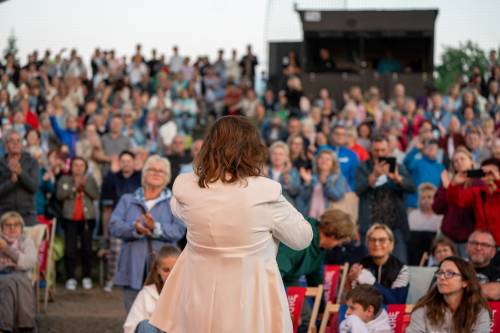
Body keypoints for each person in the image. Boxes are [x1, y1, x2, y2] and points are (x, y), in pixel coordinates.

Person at [150, 116, 313, 333]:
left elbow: (178, 210)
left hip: (198, 299)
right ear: (251, 150)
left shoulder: (186, 187)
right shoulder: (264, 192)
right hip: (250, 303)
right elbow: (302, 237)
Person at [109, 155, 186, 312]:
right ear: (144, 173)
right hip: (132, 265)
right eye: (152, 169)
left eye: (161, 171)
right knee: (133, 314)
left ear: (167, 177)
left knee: (163, 316)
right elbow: (114, 226)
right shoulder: (127, 200)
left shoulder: (174, 202)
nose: (156, 173)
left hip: (164, 268)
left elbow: (179, 230)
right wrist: (135, 229)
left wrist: (155, 228)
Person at [355, 135, 415, 263]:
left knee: (399, 266)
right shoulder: (363, 167)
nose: (379, 153)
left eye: (383, 150)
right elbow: (358, 190)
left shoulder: (397, 166)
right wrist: (373, 176)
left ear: (388, 150)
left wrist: (397, 178)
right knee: (369, 267)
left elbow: (412, 187)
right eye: (376, 150)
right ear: (371, 150)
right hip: (370, 226)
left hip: (396, 226)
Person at [406, 256, 490, 333]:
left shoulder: (479, 311)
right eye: (440, 272)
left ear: (464, 282)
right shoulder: (423, 309)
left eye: (450, 273)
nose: (442, 277)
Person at [57, 156, 100, 291]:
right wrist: (74, 187)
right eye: (76, 165)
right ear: (71, 167)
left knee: (87, 248)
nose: (79, 168)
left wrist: (85, 185)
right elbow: (59, 196)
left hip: (87, 219)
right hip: (70, 219)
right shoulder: (64, 180)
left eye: (82, 165)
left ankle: (86, 276)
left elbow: (96, 196)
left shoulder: (90, 179)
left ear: (85, 167)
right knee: (70, 249)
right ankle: (70, 278)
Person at [344, 224, 409, 304]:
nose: (377, 244)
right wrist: (349, 281)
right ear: (367, 244)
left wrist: (373, 283)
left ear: (391, 244)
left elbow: (396, 302)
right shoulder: (360, 266)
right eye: (372, 240)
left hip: (391, 315)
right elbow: (353, 301)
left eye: (382, 240)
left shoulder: (401, 269)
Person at [124, 245, 181, 333]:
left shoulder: (190, 293)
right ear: (157, 269)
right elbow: (130, 326)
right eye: (166, 270)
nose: (171, 274)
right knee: (146, 325)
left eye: (175, 269)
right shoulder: (146, 294)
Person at [432, 147, 478, 256]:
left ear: (471, 161)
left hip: (470, 238)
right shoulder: (449, 181)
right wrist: (447, 188)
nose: (459, 162)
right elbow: (437, 208)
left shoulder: (478, 181)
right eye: (455, 161)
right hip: (448, 237)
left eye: (462, 159)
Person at [446, 157, 500, 247]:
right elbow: (456, 200)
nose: (488, 176)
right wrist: (454, 184)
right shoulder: (478, 192)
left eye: (491, 172)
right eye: (484, 173)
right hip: (483, 244)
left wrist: (498, 181)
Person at [0, 212, 37, 333]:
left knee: (12, 281)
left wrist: (6, 249)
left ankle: (5, 327)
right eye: (8, 225)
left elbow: (30, 262)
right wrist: (14, 264)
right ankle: (25, 325)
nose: (12, 228)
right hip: (3, 276)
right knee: (8, 281)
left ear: (21, 228)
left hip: (20, 276)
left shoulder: (26, 242)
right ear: (2, 228)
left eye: (16, 224)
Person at [0, 130, 39, 227]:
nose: (15, 144)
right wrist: (11, 182)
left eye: (18, 141)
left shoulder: (32, 162)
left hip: (28, 214)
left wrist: (20, 173)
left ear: (22, 144)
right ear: (6, 145)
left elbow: (34, 187)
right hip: (5, 214)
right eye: (12, 141)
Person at [296, 150, 350, 218]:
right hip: (310, 218)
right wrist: (308, 182)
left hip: (329, 219)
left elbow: (337, 196)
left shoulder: (339, 178)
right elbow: (302, 198)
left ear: (333, 163)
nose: (324, 161)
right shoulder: (312, 177)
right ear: (317, 161)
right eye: (321, 158)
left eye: (328, 159)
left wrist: (325, 184)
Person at [408, 183, 443, 265]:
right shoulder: (413, 215)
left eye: (429, 197)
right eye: (423, 198)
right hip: (416, 255)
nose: (426, 200)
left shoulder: (440, 216)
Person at [466, 230, 500, 301]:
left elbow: (493, 292)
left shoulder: (498, 272)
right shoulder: (455, 269)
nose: (478, 248)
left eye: (485, 245)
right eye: (474, 243)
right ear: (466, 247)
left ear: (493, 252)